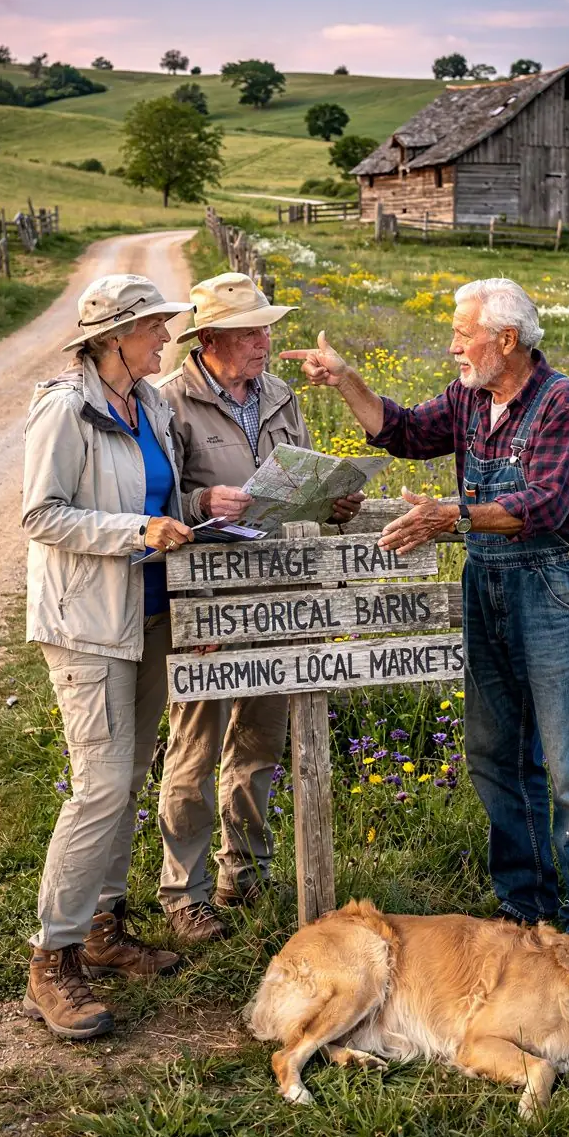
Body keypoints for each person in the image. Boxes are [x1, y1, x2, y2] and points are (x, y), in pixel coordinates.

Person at [282, 277, 569, 951]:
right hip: (488, 583)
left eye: (462, 336)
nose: (452, 348)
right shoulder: (470, 398)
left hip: (554, 583)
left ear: (505, 340)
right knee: (495, 753)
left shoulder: (564, 403)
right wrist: (347, 379)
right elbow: (402, 431)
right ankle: (526, 912)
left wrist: (453, 516)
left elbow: (545, 505)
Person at [156, 271, 363, 942]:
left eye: (267, 328)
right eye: (250, 332)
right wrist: (198, 505)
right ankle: (182, 894)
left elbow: (294, 480)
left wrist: (332, 501)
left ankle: (242, 871)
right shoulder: (169, 404)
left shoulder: (278, 395)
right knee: (195, 746)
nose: (264, 342)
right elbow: (150, 507)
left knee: (260, 743)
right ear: (210, 339)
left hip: (278, 595)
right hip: (208, 602)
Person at [21, 274, 194, 1040]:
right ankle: (51, 961)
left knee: (127, 777)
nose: (164, 339)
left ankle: (104, 929)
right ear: (115, 337)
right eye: (155, 327)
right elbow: (41, 514)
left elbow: (162, 497)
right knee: (97, 786)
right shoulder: (67, 408)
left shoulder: (149, 403)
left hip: (148, 615)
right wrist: (135, 532)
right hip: (88, 623)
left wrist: (191, 519)